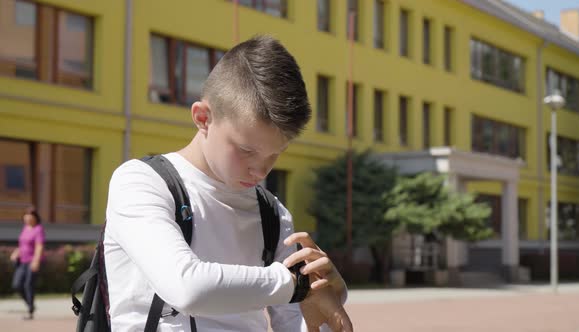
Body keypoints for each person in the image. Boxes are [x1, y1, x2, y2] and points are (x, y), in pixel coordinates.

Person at [104, 35, 353, 331]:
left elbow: (295, 323)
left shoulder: (272, 213)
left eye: (275, 155)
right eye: (247, 150)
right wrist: (296, 284)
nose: (261, 170)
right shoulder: (141, 182)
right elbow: (187, 288)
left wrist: (325, 301)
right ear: (202, 118)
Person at [10, 206, 45, 320]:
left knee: (28, 285)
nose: (27, 218)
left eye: (30, 216)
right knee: (17, 285)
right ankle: (30, 304)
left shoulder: (38, 229)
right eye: (26, 215)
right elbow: (22, 245)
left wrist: (36, 261)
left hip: (31, 262)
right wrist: (16, 252)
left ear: (35, 217)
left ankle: (30, 310)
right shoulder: (25, 228)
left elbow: (39, 246)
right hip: (22, 262)